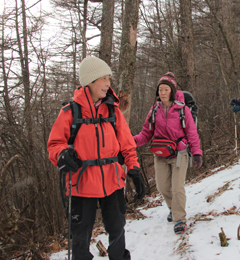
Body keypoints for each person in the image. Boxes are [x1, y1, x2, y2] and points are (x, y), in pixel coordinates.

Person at [48, 56, 145, 260]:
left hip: (113, 181)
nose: (108, 83)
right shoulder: (69, 112)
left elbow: (127, 144)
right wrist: (62, 154)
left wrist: (134, 169)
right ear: (90, 81)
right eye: (103, 78)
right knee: (80, 239)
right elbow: (54, 145)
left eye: (108, 78)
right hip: (81, 185)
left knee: (117, 231)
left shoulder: (113, 110)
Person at [133, 72, 202, 234]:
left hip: (179, 154)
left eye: (165, 89)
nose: (162, 93)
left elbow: (192, 133)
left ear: (172, 90)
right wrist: (132, 141)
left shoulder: (182, 110)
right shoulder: (154, 110)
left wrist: (197, 152)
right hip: (160, 153)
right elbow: (146, 133)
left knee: (177, 187)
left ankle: (180, 219)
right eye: (160, 90)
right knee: (163, 187)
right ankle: (173, 208)